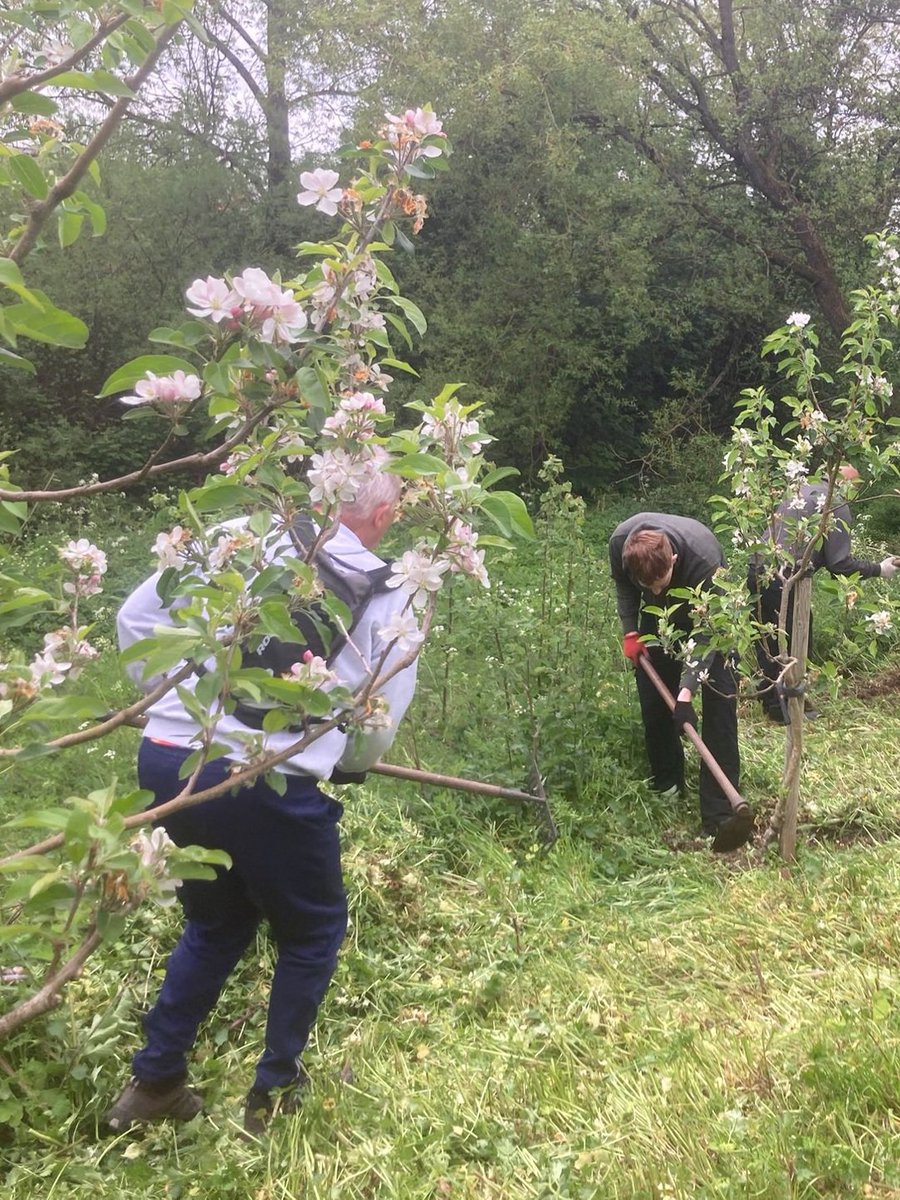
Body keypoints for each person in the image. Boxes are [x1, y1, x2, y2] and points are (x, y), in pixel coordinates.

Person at [105, 468, 417, 1136]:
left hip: (171, 764)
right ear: (387, 515)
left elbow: (137, 616)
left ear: (314, 495)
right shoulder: (392, 591)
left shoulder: (241, 537)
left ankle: (155, 1081)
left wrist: (169, 708)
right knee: (311, 931)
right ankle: (273, 1097)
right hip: (269, 782)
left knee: (216, 921)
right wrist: (351, 763)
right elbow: (376, 720)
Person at [609, 512, 745, 845]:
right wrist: (631, 631)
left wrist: (685, 694)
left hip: (712, 623)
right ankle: (667, 785)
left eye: (661, 580)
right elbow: (626, 587)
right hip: (661, 621)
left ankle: (720, 814)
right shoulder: (620, 545)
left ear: (673, 559)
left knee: (720, 708)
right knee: (654, 703)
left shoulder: (704, 559)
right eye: (649, 585)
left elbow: (705, 639)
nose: (654, 589)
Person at [748, 466, 899, 723]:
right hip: (785, 578)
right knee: (796, 638)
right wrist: (880, 569)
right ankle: (788, 709)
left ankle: (774, 704)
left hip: (757, 571)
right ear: (849, 485)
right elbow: (840, 563)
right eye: (856, 487)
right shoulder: (834, 503)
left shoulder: (796, 492)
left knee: (769, 638)